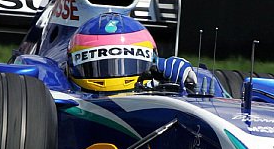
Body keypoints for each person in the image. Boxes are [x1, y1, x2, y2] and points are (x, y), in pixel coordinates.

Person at [67, 12, 197, 94]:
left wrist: (184, 80)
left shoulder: (154, 79)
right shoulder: (60, 87)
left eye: (126, 63)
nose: (114, 72)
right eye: (102, 66)